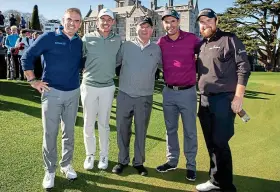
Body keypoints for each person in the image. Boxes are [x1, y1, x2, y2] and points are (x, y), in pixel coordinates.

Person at [21, 8, 83, 190]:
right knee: (50, 134)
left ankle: (66, 165)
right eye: (69, 19)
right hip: (52, 92)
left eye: (77, 21)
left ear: (80, 24)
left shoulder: (79, 42)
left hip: (73, 93)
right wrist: (33, 81)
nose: (73, 23)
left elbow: (80, 63)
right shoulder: (49, 37)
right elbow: (27, 57)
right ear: (62, 20)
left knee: (69, 133)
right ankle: (50, 170)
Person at [195, 8, 251, 192]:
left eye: (208, 20)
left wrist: (238, 97)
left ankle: (226, 186)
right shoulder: (201, 45)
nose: (205, 24)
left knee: (220, 143)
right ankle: (215, 181)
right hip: (204, 100)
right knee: (211, 143)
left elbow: (244, 68)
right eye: (202, 22)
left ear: (216, 21)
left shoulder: (229, 39)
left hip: (223, 101)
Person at [112, 17, 162, 176]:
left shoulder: (156, 49)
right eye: (142, 26)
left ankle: (139, 162)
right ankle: (122, 161)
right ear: (136, 28)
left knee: (141, 130)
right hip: (125, 95)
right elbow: (115, 64)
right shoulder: (126, 46)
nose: (145, 29)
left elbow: (165, 68)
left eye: (148, 27)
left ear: (152, 30)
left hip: (145, 97)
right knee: (122, 129)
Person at [155, 9, 200, 182]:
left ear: (179, 21)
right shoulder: (161, 42)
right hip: (168, 92)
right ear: (163, 24)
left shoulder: (191, 39)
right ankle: (172, 161)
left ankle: (191, 165)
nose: (170, 25)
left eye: (173, 21)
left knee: (190, 131)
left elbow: (207, 49)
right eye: (167, 22)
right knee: (170, 129)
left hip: (188, 92)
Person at [81, 8, 122, 170]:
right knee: (88, 123)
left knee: (104, 123)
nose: (105, 22)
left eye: (109, 20)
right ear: (97, 21)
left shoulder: (118, 39)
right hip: (89, 86)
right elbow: (80, 57)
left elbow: (118, 60)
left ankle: (103, 155)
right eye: (102, 19)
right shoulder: (87, 37)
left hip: (108, 87)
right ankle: (90, 155)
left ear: (113, 22)